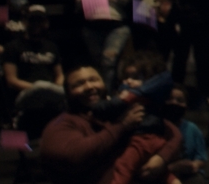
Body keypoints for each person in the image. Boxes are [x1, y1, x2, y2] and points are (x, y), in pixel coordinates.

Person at [39, 66, 182, 184]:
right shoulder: (63, 123)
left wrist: (162, 158)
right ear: (68, 94)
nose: (89, 87)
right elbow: (73, 156)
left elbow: (173, 132)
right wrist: (122, 126)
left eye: (93, 80)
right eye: (79, 84)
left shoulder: (117, 109)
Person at [2, 6, 64, 128]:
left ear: (46, 23)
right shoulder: (13, 47)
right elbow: (11, 80)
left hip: (50, 92)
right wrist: (39, 89)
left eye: (40, 21)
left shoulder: (51, 47)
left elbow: (59, 75)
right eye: (33, 20)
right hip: (25, 93)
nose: (36, 24)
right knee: (41, 87)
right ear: (26, 22)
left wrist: (54, 88)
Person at [82, 0, 136, 90]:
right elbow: (78, 2)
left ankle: (106, 93)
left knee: (108, 60)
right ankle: (97, 91)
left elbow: (128, 1)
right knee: (97, 62)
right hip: (93, 25)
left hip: (115, 24)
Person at [157, 86, 207, 183]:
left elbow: (201, 157)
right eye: (170, 99)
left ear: (186, 107)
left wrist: (194, 165)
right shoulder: (156, 127)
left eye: (179, 100)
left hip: (187, 174)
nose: (174, 103)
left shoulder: (192, 129)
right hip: (163, 174)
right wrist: (173, 168)